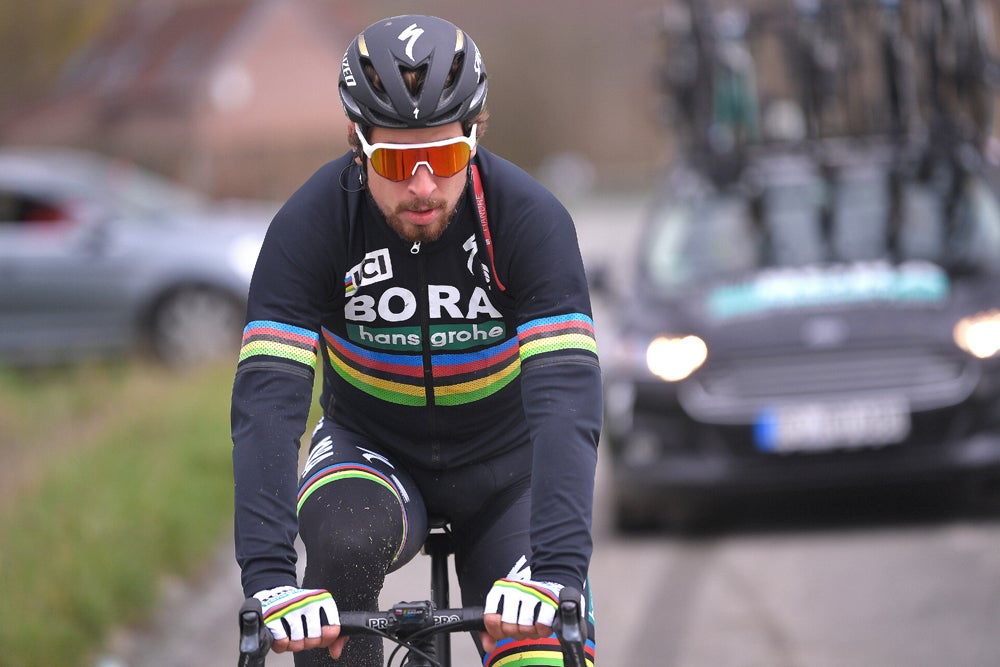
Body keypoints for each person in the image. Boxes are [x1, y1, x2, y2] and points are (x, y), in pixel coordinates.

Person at [231, 14, 601, 666]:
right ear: (358, 142)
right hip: (370, 452)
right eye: (399, 161)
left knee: (542, 649)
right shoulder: (310, 225)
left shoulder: (529, 219)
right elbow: (267, 403)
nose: (424, 185)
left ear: (475, 135)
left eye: (447, 156)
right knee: (340, 553)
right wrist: (269, 583)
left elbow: (568, 399)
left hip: (507, 469)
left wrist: (559, 571)